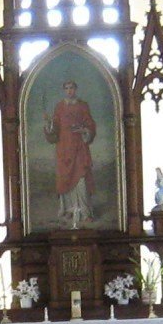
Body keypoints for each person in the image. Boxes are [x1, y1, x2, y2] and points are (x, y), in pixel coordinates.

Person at [43, 78, 97, 228]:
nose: (69, 91)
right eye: (66, 88)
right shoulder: (59, 107)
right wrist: (48, 124)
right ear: (64, 90)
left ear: (75, 89)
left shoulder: (83, 106)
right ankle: (68, 210)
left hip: (79, 147)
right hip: (64, 147)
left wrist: (84, 130)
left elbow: (90, 124)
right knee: (65, 178)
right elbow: (55, 128)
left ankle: (85, 212)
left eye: (71, 88)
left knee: (81, 179)